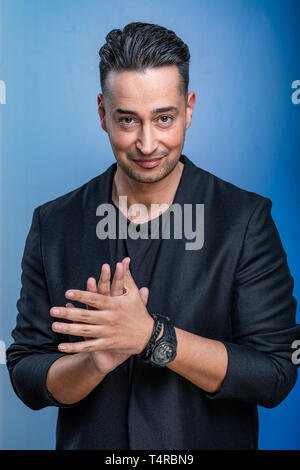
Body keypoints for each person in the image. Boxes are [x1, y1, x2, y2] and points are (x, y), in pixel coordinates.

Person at [6, 22, 299, 450]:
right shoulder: (54, 224)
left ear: (189, 108)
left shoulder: (245, 220)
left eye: (164, 118)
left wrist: (153, 338)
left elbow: (276, 374)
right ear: (103, 113)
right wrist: (94, 363)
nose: (147, 143)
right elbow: (26, 373)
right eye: (128, 120)